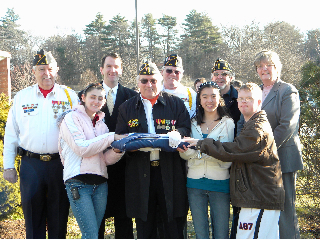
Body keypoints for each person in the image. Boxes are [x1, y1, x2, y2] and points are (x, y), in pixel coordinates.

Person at [185, 82, 285, 239]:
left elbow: (235, 150)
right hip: (253, 197)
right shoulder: (249, 123)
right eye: (241, 99)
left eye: (249, 99)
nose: (244, 102)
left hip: (260, 197)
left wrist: (200, 143)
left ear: (259, 102)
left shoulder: (257, 128)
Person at [3, 49, 79, 238]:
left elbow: (80, 131)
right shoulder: (22, 98)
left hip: (59, 165)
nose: (47, 73)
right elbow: (11, 133)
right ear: (34, 71)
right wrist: (8, 166)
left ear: (57, 69)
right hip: (31, 164)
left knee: (59, 217)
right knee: (32, 218)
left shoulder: (69, 96)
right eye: (42, 69)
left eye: (50, 69)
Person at [115, 61, 191, 239]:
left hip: (170, 170)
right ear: (138, 83)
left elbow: (185, 128)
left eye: (153, 80)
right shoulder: (127, 107)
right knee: (145, 226)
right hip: (140, 172)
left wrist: (177, 133)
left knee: (173, 224)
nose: (149, 85)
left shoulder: (176, 104)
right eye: (144, 81)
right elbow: (119, 137)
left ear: (160, 80)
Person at [58, 83, 126, 239]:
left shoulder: (101, 125)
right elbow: (81, 148)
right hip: (78, 183)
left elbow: (104, 159)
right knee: (90, 235)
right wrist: (111, 137)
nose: (96, 101)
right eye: (92, 97)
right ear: (83, 98)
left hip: (100, 184)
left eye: (100, 98)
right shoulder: (71, 118)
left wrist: (118, 150)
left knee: (94, 233)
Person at [252, 50, 303, 238]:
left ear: (277, 67)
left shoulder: (287, 90)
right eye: (260, 66)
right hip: (261, 160)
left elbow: (287, 125)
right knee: (267, 211)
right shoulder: (256, 91)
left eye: (268, 65)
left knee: (285, 210)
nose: (264, 69)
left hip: (282, 158)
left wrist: (265, 149)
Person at [178, 81, 234, 239]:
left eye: (213, 96)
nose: (209, 100)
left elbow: (226, 157)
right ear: (199, 100)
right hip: (194, 183)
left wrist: (198, 148)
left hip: (220, 183)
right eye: (205, 97)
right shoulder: (192, 123)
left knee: (222, 233)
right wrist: (207, 149)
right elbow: (184, 154)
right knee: (200, 234)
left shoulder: (227, 123)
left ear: (219, 99)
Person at [98, 52, 137, 239]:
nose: (112, 70)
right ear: (102, 69)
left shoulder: (132, 96)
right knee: (98, 218)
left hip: (126, 166)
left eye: (116, 66)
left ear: (121, 70)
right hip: (97, 165)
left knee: (124, 218)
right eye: (108, 66)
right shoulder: (89, 95)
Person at [162, 54, 197, 118]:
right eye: (169, 71)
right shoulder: (154, 93)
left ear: (182, 74)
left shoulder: (191, 94)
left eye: (177, 72)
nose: (173, 74)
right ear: (162, 72)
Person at [211, 58, 241, 129]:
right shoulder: (205, 98)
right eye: (216, 74)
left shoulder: (240, 98)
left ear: (231, 78)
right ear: (212, 78)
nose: (220, 77)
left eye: (224, 74)